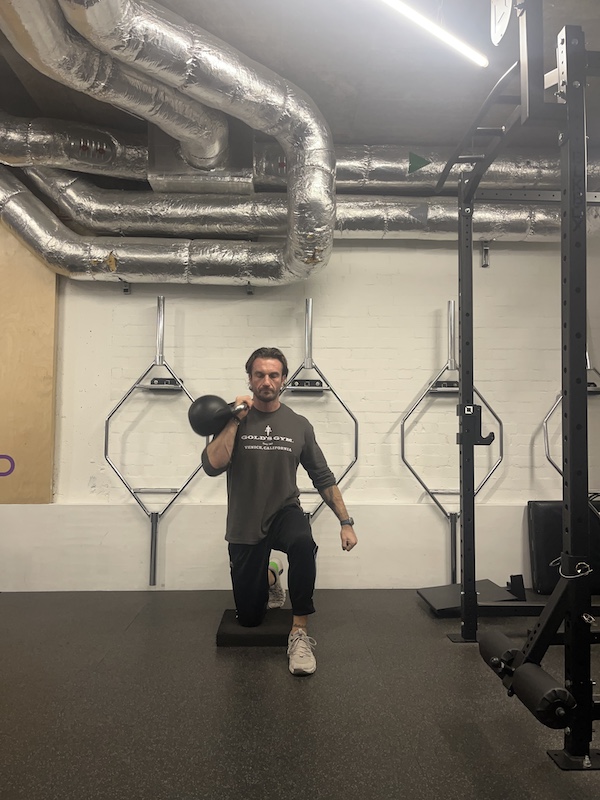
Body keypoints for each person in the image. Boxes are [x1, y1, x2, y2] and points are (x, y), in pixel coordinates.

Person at [201, 346, 357, 676]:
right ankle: (272, 575)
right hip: (244, 521)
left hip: (285, 511)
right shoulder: (232, 420)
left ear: (283, 379)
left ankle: (299, 632)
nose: (267, 381)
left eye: (273, 375)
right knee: (250, 618)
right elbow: (213, 466)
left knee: (303, 543)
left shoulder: (299, 425)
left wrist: (345, 521)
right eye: (260, 374)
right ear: (250, 379)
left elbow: (323, 477)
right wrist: (234, 420)